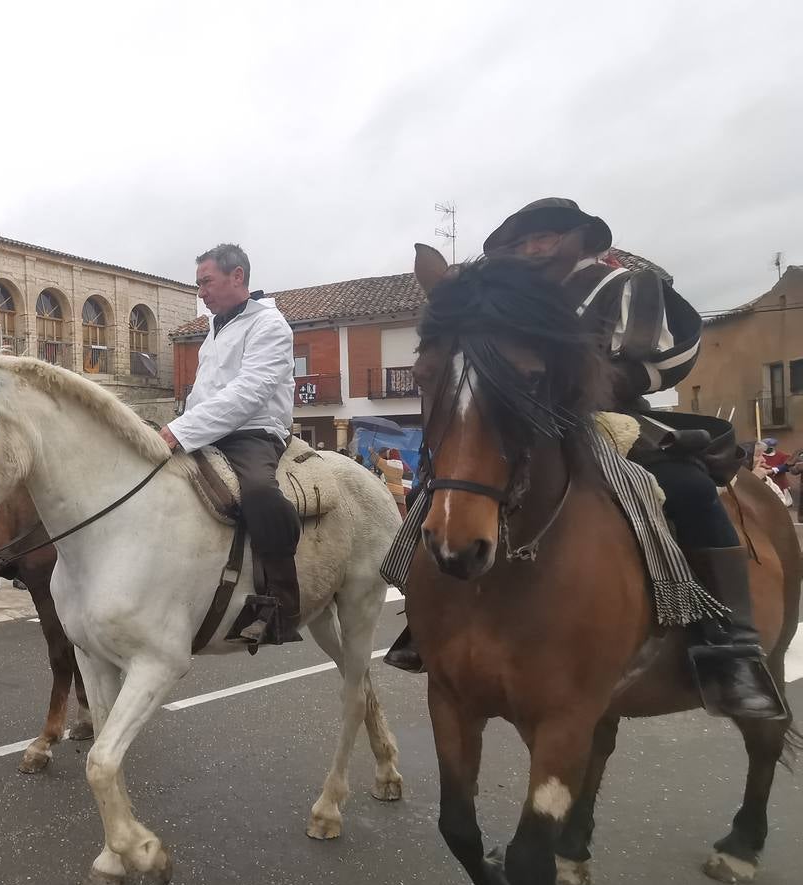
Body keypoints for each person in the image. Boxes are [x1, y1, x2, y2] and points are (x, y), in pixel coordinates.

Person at [386, 198, 785, 720]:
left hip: (610, 415)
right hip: (524, 419)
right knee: (442, 486)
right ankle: (429, 619)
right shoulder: (507, 299)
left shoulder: (626, 286)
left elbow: (671, 354)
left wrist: (593, 385)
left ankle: (732, 646)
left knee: (687, 490)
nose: (534, 247)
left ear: (580, 240)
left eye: (546, 236)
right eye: (524, 240)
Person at [158, 243, 303, 651]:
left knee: (258, 492)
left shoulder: (270, 326)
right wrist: (184, 424)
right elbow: (205, 392)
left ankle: (281, 606)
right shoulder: (215, 328)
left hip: (254, 432)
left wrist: (179, 432)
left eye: (206, 282)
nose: (200, 292)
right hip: (206, 430)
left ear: (237, 276)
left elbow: (248, 393)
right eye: (198, 284)